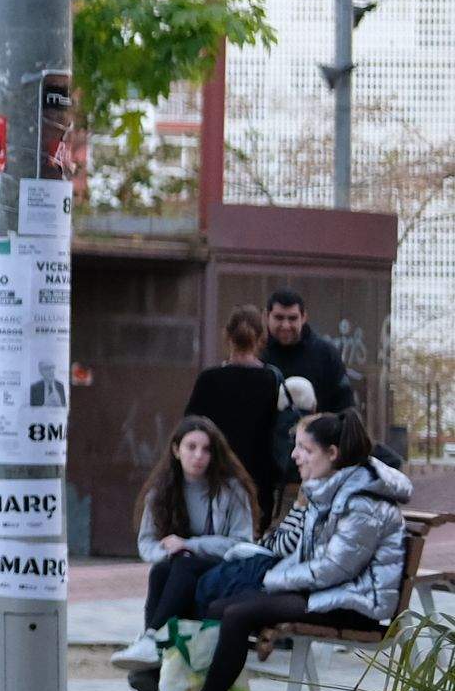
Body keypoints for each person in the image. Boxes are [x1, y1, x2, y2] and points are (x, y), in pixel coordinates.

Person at [136, 409, 409, 691]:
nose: (295, 455)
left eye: (305, 449)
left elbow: (334, 569)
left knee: (237, 614)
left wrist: (272, 580)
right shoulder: (331, 490)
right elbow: (299, 551)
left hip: (356, 602)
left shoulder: (361, 502)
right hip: (327, 592)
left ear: (332, 454)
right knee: (220, 606)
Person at [109, 417, 260, 671]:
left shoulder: (232, 490)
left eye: (206, 449)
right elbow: (147, 543)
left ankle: (151, 639)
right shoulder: (161, 491)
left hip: (223, 569)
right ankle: (150, 666)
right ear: (176, 450)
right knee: (162, 570)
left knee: (184, 564)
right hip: (177, 570)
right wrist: (171, 552)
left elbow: (242, 543)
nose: (198, 456)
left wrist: (190, 545)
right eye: (191, 447)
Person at [183, 309, 287, 522]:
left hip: (214, 476)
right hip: (259, 480)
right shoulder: (272, 379)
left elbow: (189, 427)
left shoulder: (209, 380)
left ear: (227, 336)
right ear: (261, 337)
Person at [262, 287, 353, 419]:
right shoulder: (257, 353)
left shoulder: (326, 354)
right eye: (279, 318)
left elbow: (345, 405)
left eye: (292, 318)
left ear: (304, 317)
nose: (286, 325)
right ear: (266, 316)